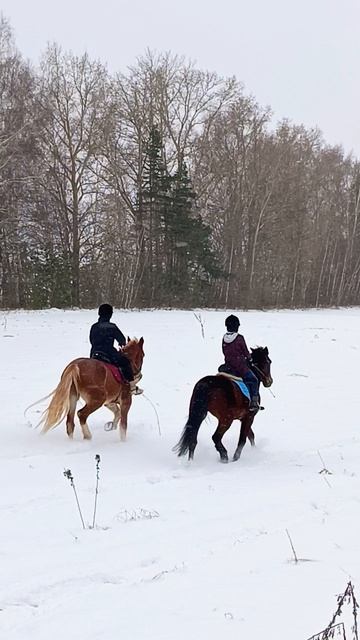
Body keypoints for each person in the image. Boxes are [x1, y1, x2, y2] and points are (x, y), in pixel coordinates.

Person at [89, 303, 143, 395]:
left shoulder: (94, 326)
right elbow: (122, 340)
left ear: (99, 314)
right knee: (125, 363)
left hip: (94, 353)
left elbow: (91, 340)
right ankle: (132, 387)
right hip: (108, 353)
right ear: (110, 315)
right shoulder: (112, 327)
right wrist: (120, 343)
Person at [219, 314, 259, 412]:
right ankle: (253, 402)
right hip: (240, 367)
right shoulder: (239, 338)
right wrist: (249, 359)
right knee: (254, 380)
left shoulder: (224, 338)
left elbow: (224, 352)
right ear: (236, 326)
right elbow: (245, 352)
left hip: (228, 367)